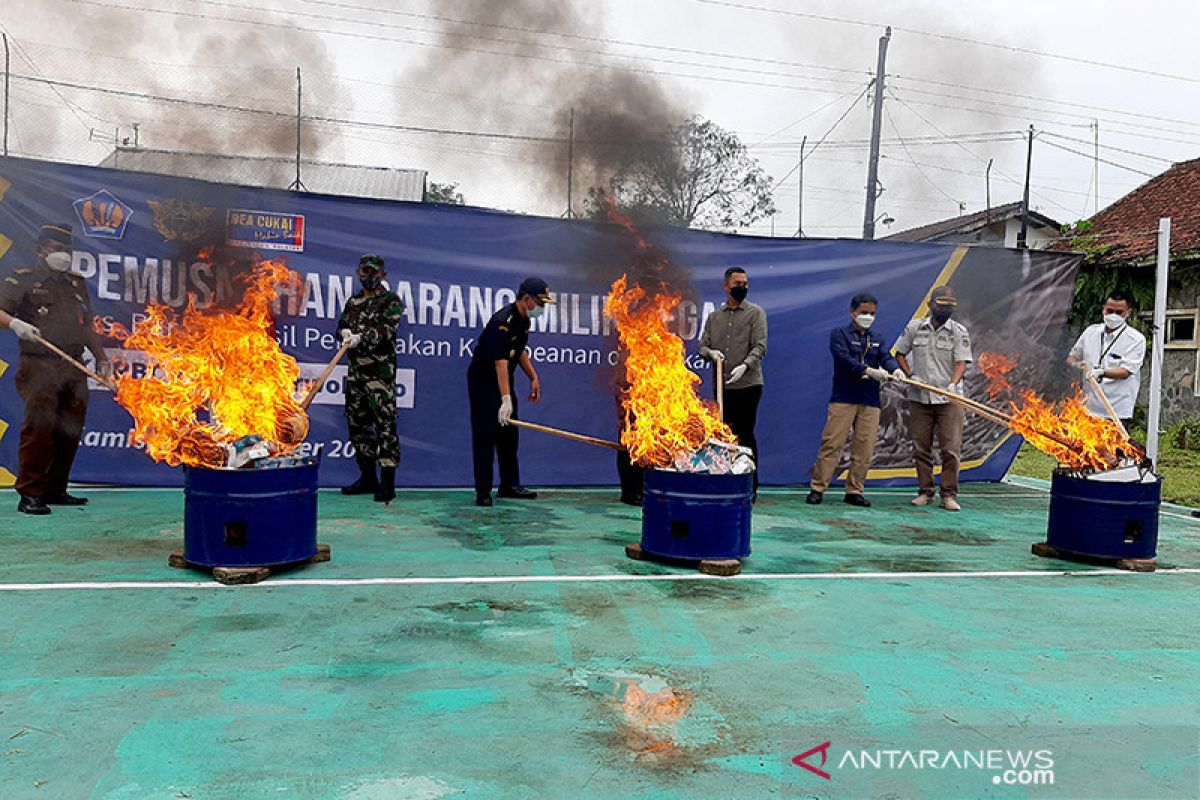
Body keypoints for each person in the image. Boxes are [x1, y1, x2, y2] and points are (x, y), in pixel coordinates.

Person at [0, 223, 111, 515]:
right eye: (57, 249)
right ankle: (31, 494)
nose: (63, 255)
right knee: (40, 428)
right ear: (41, 251)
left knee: (70, 430)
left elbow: (85, 326)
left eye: (67, 250)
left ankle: (56, 489)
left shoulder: (75, 283)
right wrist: (15, 324)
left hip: (73, 366)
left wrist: (100, 356)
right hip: (39, 365)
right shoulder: (22, 280)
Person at [806, 292, 902, 507]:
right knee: (832, 443)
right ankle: (818, 487)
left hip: (870, 400)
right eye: (864, 313)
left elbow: (886, 357)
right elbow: (843, 359)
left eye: (872, 313)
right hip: (844, 396)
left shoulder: (877, 339)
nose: (868, 316)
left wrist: (895, 370)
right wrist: (867, 370)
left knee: (865, 447)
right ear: (853, 312)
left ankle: (854, 490)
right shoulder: (839, 334)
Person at [466, 277, 553, 507]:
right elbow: (500, 363)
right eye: (540, 303)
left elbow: (519, 350)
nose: (542, 309)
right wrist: (505, 399)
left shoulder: (524, 320)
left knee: (509, 435)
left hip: (504, 380)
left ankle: (509, 486)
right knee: (486, 436)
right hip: (485, 382)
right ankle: (483, 491)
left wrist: (533, 377)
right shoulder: (502, 322)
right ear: (526, 299)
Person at [893, 285, 973, 511]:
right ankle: (926, 491)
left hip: (949, 399)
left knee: (951, 448)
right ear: (931, 305)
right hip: (920, 396)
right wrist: (909, 374)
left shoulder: (959, 331)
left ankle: (949, 494)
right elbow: (899, 353)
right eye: (942, 305)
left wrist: (952, 384)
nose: (946, 310)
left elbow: (961, 362)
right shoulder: (915, 327)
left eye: (950, 306)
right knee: (921, 447)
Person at [335, 253, 406, 504]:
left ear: (383, 275)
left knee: (385, 427)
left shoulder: (391, 301)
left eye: (375, 273)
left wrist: (360, 338)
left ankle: (388, 484)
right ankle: (367, 478)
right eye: (365, 272)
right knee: (358, 427)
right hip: (356, 377)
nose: (370, 277)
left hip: (379, 377)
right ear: (358, 273)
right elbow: (341, 327)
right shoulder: (352, 302)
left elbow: (386, 331)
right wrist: (343, 332)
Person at [699, 267, 768, 496]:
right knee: (724, 434)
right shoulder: (714, 317)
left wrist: (745, 365)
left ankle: (750, 485)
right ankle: (726, 480)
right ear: (726, 286)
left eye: (745, 283)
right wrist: (711, 353)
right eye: (738, 283)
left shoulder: (755, 313)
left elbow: (760, 346)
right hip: (722, 385)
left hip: (748, 384)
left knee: (745, 433)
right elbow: (703, 346)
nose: (742, 287)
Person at [1066, 290, 1146, 431]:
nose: (1113, 316)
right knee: (1084, 451)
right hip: (1088, 408)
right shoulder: (1091, 332)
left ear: (1128, 313)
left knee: (1114, 452)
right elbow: (1072, 356)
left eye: (1119, 312)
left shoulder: (1136, 339)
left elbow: (1126, 371)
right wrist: (1076, 364)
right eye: (1110, 310)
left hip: (1116, 410)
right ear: (1104, 309)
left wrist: (1102, 372)